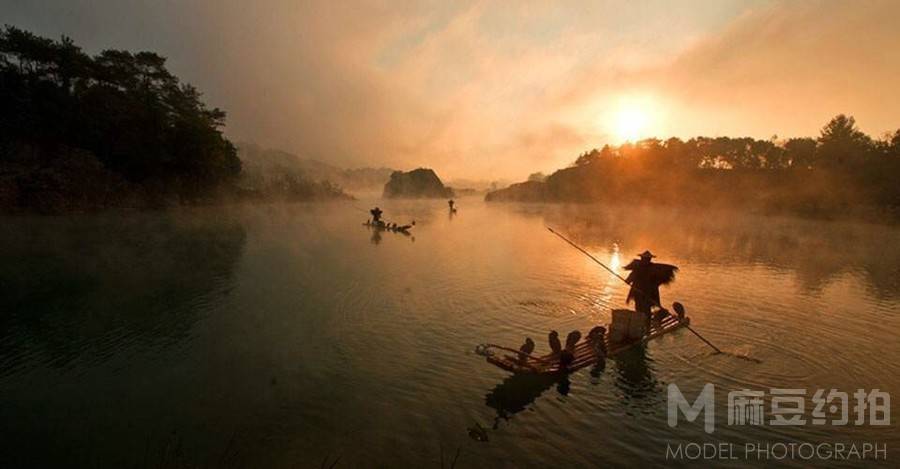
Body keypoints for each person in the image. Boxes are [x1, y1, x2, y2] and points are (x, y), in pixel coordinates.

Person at [623, 250, 678, 318]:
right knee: (642, 310)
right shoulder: (647, 268)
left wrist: (627, 281)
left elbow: (628, 280)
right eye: (645, 258)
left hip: (647, 294)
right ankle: (644, 324)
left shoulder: (650, 269)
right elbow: (629, 279)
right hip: (641, 294)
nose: (646, 260)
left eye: (646, 259)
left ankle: (644, 324)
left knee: (643, 310)